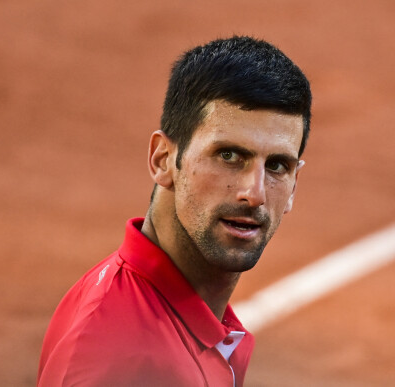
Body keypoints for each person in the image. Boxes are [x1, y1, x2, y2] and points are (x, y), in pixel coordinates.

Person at [37, 36, 312, 387]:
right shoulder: (117, 355)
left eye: (277, 165)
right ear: (163, 160)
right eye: (228, 156)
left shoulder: (179, 321)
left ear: (294, 185)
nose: (254, 194)